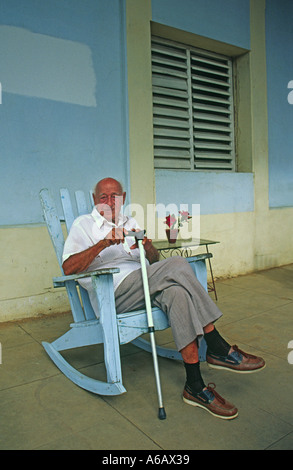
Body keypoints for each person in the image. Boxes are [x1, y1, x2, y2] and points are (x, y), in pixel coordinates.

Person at [62, 177, 265, 420]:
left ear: (123, 198)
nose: (109, 202)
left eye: (114, 196)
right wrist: (102, 244)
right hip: (113, 294)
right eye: (103, 197)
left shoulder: (130, 222)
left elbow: (156, 263)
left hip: (145, 283)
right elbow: (68, 267)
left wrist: (147, 248)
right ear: (95, 200)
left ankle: (195, 386)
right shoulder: (83, 225)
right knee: (178, 263)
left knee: (177, 292)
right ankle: (217, 345)